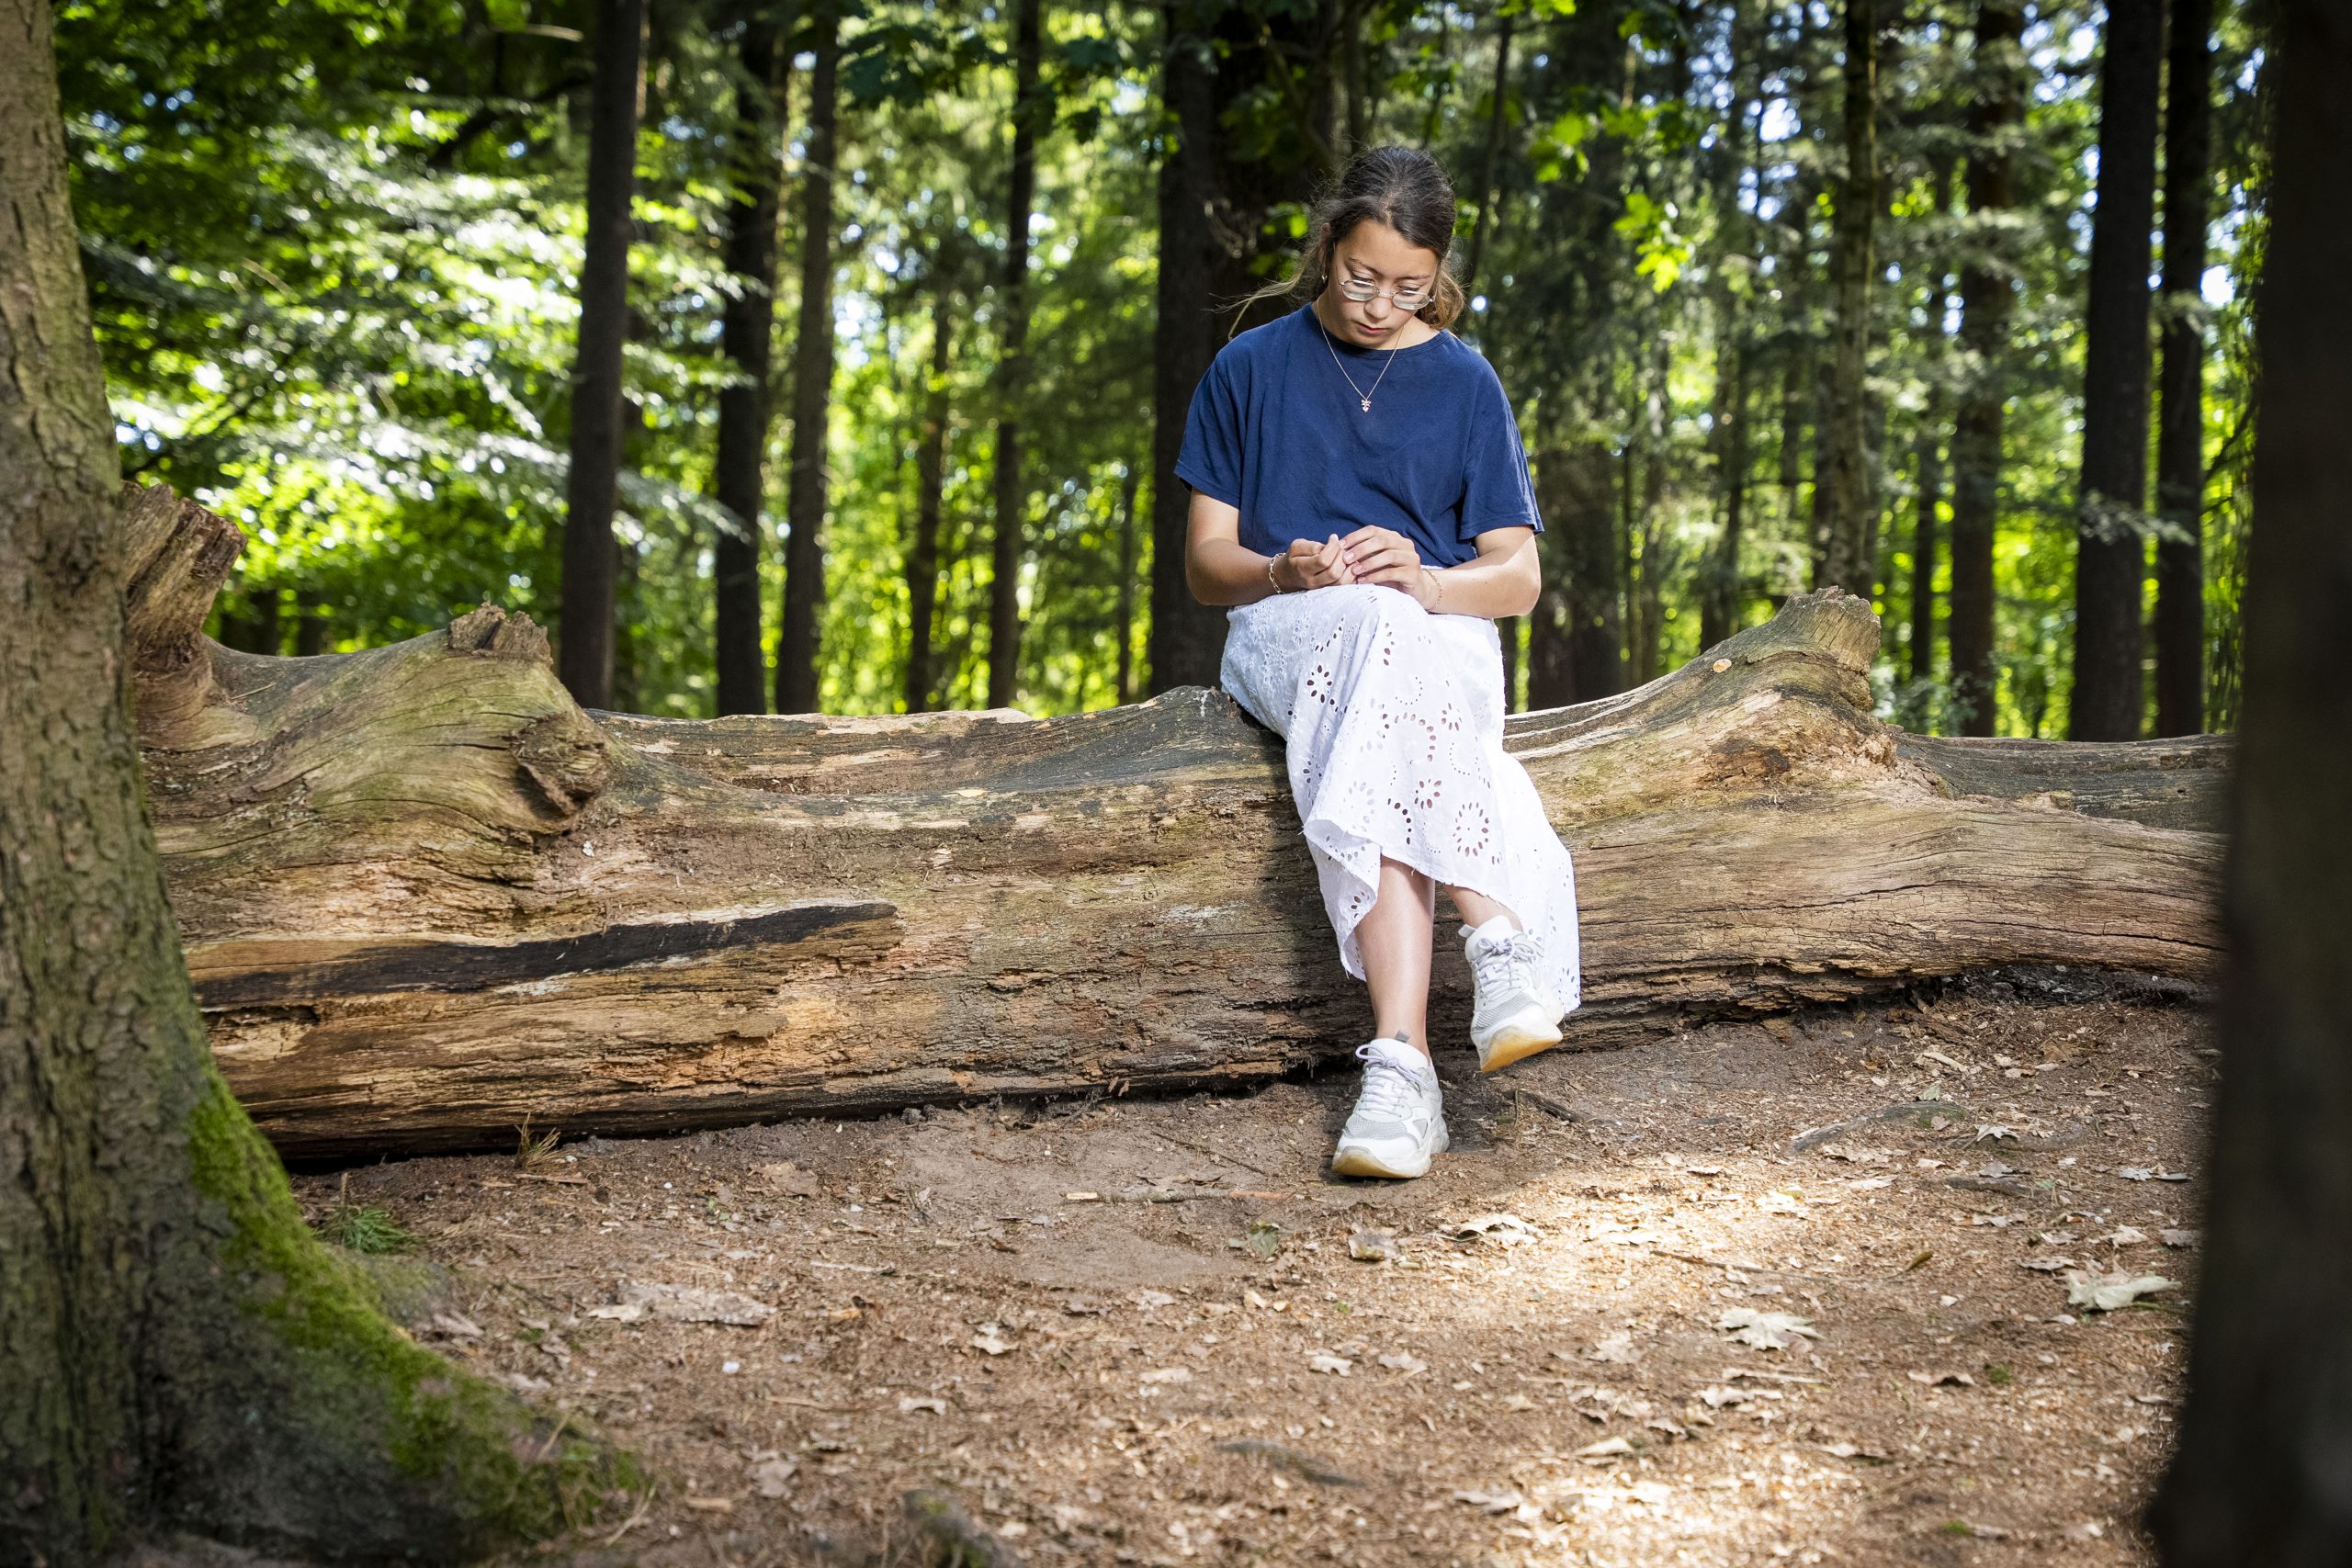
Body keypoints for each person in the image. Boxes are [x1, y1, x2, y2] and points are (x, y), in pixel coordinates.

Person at [1173, 145, 1581, 1183]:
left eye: (1407, 287)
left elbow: (1517, 579)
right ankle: (1495, 940)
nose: (1378, 304)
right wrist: (1284, 565)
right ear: (1326, 252)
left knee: (1394, 646)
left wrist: (1428, 578)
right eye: (1361, 278)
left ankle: (1401, 1072)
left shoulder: (1463, 381)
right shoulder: (1249, 367)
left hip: (1435, 638)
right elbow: (1207, 569)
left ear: (1435, 272)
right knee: (1371, 632)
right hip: (1290, 633)